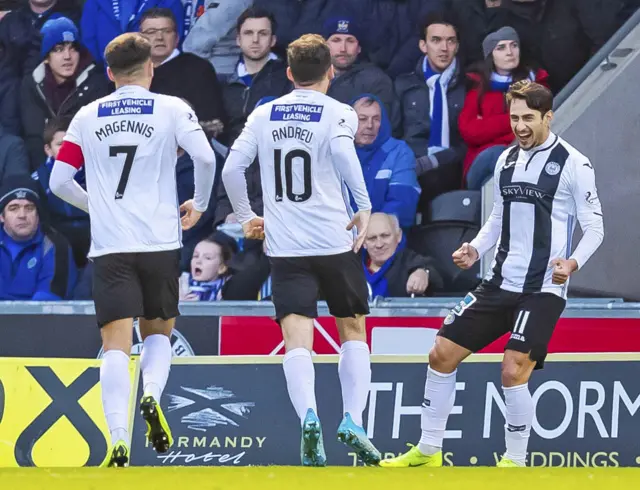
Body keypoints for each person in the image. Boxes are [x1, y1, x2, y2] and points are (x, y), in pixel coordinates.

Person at [380, 80, 604, 468]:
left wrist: (572, 263)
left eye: (528, 118)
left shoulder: (574, 163)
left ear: (548, 117)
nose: (519, 126)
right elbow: (497, 218)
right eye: (514, 117)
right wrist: (475, 249)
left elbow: (595, 227)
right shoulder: (505, 159)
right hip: (499, 282)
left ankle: (515, 462)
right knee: (441, 353)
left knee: (513, 369)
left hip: (544, 288)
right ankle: (429, 451)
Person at [50, 32, 216, 467]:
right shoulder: (172, 107)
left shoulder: (87, 115)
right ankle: (151, 395)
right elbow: (205, 158)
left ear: (108, 73)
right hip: (160, 241)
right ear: (151, 67)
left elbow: (57, 182)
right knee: (159, 333)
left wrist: (97, 206)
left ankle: (118, 439)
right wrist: (198, 204)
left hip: (111, 246)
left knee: (115, 345)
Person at [222, 33, 380, 467]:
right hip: (334, 240)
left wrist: (245, 215)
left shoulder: (264, 113)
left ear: (289, 73)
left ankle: (308, 414)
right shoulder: (339, 112)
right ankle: (352, 419)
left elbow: (233, 167)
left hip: (285, 245)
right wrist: (364, 206)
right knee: (352, 330)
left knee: (297, 338)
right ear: (330, 70)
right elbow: (345, 156)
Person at [459, 26, 548, 189]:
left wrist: (487, 125)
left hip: (526, 157)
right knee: (500, 154)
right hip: (483, 161)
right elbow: (469, 131)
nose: (510, 52)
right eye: (501, 48)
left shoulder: (536, 84)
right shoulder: (478, 88)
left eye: (514, 45)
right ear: (490, 55)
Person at [20, 16, 111, 170]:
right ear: (46, 57)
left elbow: (99, 137)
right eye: (58, 49)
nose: (67, 56)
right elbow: (34, 138)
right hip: (46, 167)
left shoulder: (98, 84)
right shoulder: (32, 84)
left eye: (73, 48)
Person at [394, 12, 467, 203]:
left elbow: (471, 140)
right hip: (411, 168)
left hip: (453, 169)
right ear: (423, 45)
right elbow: (394, 134)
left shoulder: (470, 85)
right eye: (436, 40)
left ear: (457, 46)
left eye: (450, 41)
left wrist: (436, 160)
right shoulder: (404, 85)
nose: (444, 48)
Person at [141, 8, 226, 140]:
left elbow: (213, 122)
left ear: (177, 38)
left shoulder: (198, 68)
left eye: (167, 31)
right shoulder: (129, 70)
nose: (159, 37)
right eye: (151, 32)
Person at [221, 7, 291, 145]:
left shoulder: (288, 79)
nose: (255, 40)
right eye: (248, 33)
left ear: (273, 40)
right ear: (238, 40)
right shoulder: (224, 83)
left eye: (263, 34)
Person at [0, 175, 77, 300]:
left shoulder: (55, 245)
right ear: (1, 217)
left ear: (38, 215)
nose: (22, 215)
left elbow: (46, 306)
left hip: (37, 318)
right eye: (13, 208)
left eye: (29, 208)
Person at [351, 94, 420, 229]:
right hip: (340, 236)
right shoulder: (336, 150)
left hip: (382, 237)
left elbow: (402, 203)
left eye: (376, 119)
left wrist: (370, 229)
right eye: (362, 119)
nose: (369, 125)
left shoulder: (399, 152)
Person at [32, 117, 90, 267]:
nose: (67, 149)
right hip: (59, 237)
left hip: (92, 235)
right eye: (60, 144)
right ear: (48, 149)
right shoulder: (39, 178)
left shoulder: (93, 173)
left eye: (72, 143)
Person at [362, 213, 443, 299]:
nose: (379, 244)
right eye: (372, 238)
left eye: (385, 236)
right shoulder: (351, 267)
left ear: (398, 236)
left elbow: (435, 271)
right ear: (363, 243)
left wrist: (424, 273)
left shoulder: (409, 260)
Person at [179, 231, 238, 301]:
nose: (198, 261)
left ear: (222, 268)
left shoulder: (229, 287)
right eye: (196, 256)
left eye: (207, 258)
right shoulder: (182, 283)